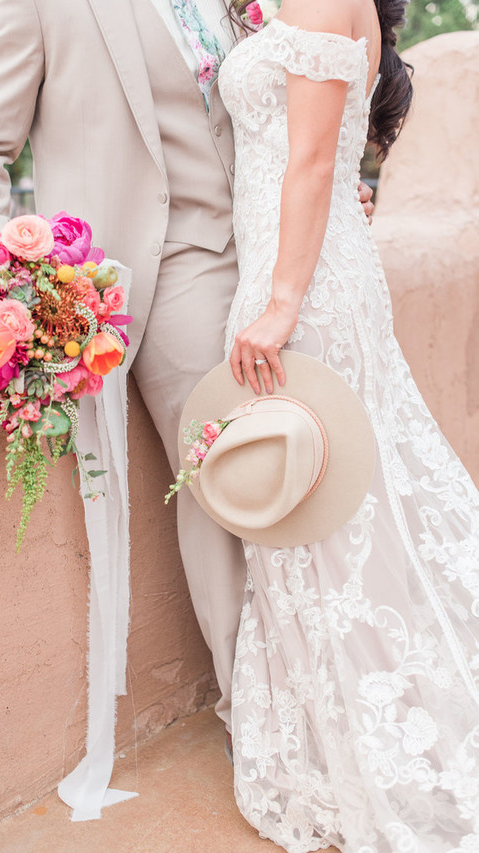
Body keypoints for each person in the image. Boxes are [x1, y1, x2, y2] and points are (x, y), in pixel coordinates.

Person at [0, 0, 374, 750]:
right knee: (232, 485)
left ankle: (350, 692)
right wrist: (19, 286)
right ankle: (275, 727)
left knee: (319, 468)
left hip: (272, 257)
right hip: (167, 268)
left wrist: (328, 200)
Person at [201, 0, 479, 849]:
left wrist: (281, 302)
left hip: (305, 288)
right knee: (320, 519)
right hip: (291, 264)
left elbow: (315, 159)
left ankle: (378, 739)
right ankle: (333, 735)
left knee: (330, 510)